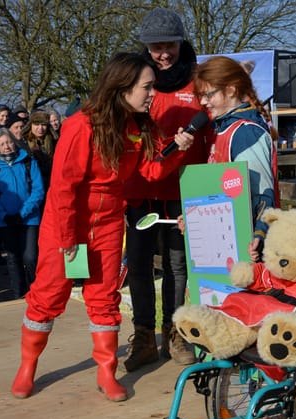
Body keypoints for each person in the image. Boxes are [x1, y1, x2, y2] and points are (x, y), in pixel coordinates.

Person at [10, 52, 192, 402]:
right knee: (48, 296)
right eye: (147, 87)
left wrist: (177, 149)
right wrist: (67, 239)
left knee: (105, 297)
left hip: (108, 224)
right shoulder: (82, 126)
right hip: (66, 224)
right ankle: (28, 366)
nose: (152, 94)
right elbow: (63, 187)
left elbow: (151, 172)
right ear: (122, 87)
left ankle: (107, 371)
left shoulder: (138, 127)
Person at [122, 7, 209, 371]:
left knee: (177, 265)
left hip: (182, 188)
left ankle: (175, 333)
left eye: (168, 45)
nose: (162, 53)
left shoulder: (198, 79)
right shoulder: (137, 79)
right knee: (139, 265)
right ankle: (143, 336)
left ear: (180, 42)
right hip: (141, 187)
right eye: (155, 47)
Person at [193, 55, 279, 257]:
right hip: (221, 241)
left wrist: (260, 233)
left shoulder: (246, 132)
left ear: (230, 90)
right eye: (201, 96)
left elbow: (264, 194)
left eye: (208, 95)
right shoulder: (218, 129)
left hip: (246, 247)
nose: (203, 102)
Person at [0, 128, 45, 298]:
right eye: (2, 144)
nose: (7, 146)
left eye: (9, 142)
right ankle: (19, 293)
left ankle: (36, 290)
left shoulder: (28, 161)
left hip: (29, 218)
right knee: (13, 258)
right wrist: (3, 215)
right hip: (5, 221)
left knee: (30, 257)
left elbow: (38, 190)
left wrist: (24, 212)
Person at [20, 110, 56, 192]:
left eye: (43, 125)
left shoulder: (54, 142)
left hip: (51, 185)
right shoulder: (23, 144)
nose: (40, 128)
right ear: (30, 125)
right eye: (36, 124)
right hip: (32, 187)